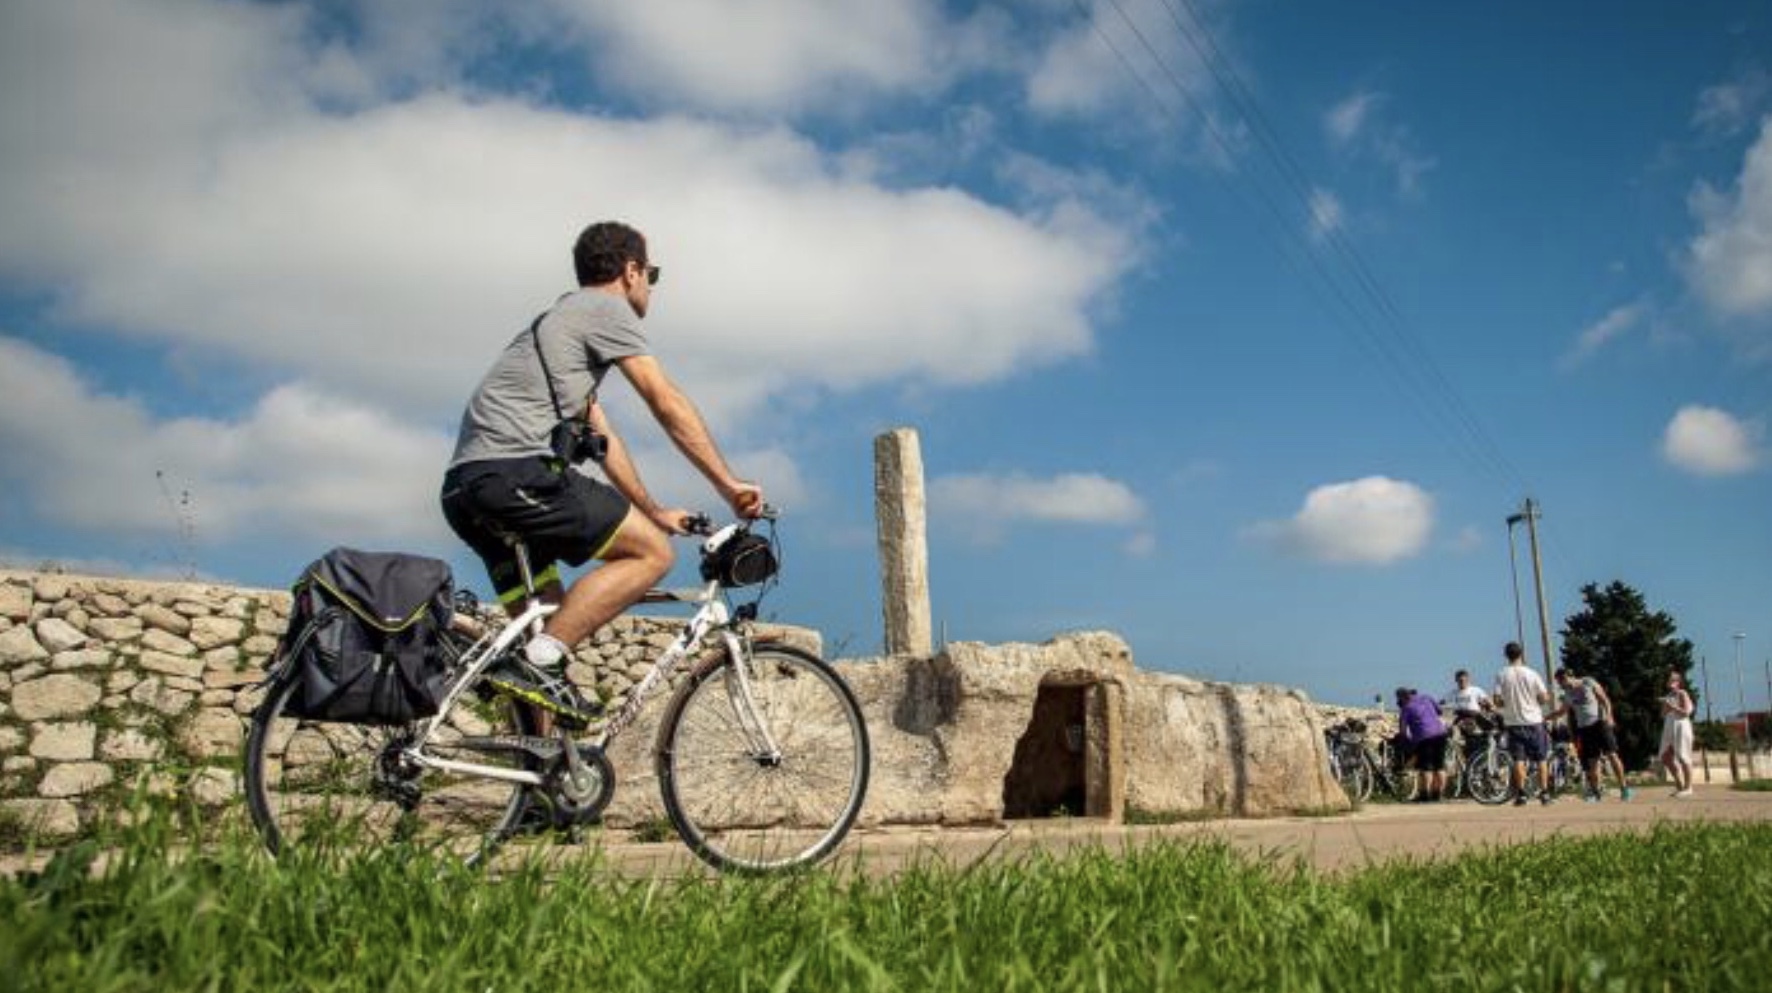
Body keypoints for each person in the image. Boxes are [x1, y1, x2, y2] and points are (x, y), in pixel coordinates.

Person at [440, 220, 763, 715]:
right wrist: (728, 484)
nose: (648, 286)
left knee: (540, 630)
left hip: (467, 491)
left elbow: (603, 439)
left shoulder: (557, 329)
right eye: (650, 274)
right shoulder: (605, 307)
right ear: (630, 270)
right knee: (651, 555)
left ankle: (540, 779)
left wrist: (652, 510)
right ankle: (540, 661)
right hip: (514, 473)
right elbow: (664, 400)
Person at [1547, 667, 1632, 802]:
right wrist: (1544, 718)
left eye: (1561, 681)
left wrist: (1609, 716)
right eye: (1559, 682)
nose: (1561, 684)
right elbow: (1562, 711)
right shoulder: (1568, 693)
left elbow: (1604, 699)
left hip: (1599, 723)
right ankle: (1596, 792)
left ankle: (1624, 788)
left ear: (1568, 676)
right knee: (1592, 762)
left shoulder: (1588, 682)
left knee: (1612, 754)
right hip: (1584, 729)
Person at [1492, 642, 1553, 806]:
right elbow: (1544, 697)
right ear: (1521, 654)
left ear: (1506, 655)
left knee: (1518, 759)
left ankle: (1521, 794)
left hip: (1513, 722)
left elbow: (1497, 700)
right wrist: (1535, 700)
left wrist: (1507, 703)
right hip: (1534, 720)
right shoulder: (1532, 673)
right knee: (1541, 758)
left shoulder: (1501, 674)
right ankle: (1544, 793)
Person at [1394, 687, 1451, 802]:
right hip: (1440, 733)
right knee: (1440, 766)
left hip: (1424, 738)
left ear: (1401, 698)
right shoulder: (1427, 697)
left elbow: (1403, 731)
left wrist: (1406, 743)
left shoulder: (1406, 708)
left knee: (1426, 768)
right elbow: (1439, 711)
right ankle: (1438, 795)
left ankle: (1425, 795)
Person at [1658, 670, 1696, 798]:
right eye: (1669, 680)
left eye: (1673, 680)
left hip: (1681, 727)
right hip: (1669, 727)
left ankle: (1688, 787)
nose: (1670, 682)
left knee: (1684, 756)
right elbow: (1662, 715)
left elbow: (1686, 712)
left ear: (1678, 682)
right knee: (1665, 757)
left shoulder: (1682, 693)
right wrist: (1666, 705)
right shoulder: (1668, 695)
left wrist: (1672, 706)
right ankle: (1679, 785)